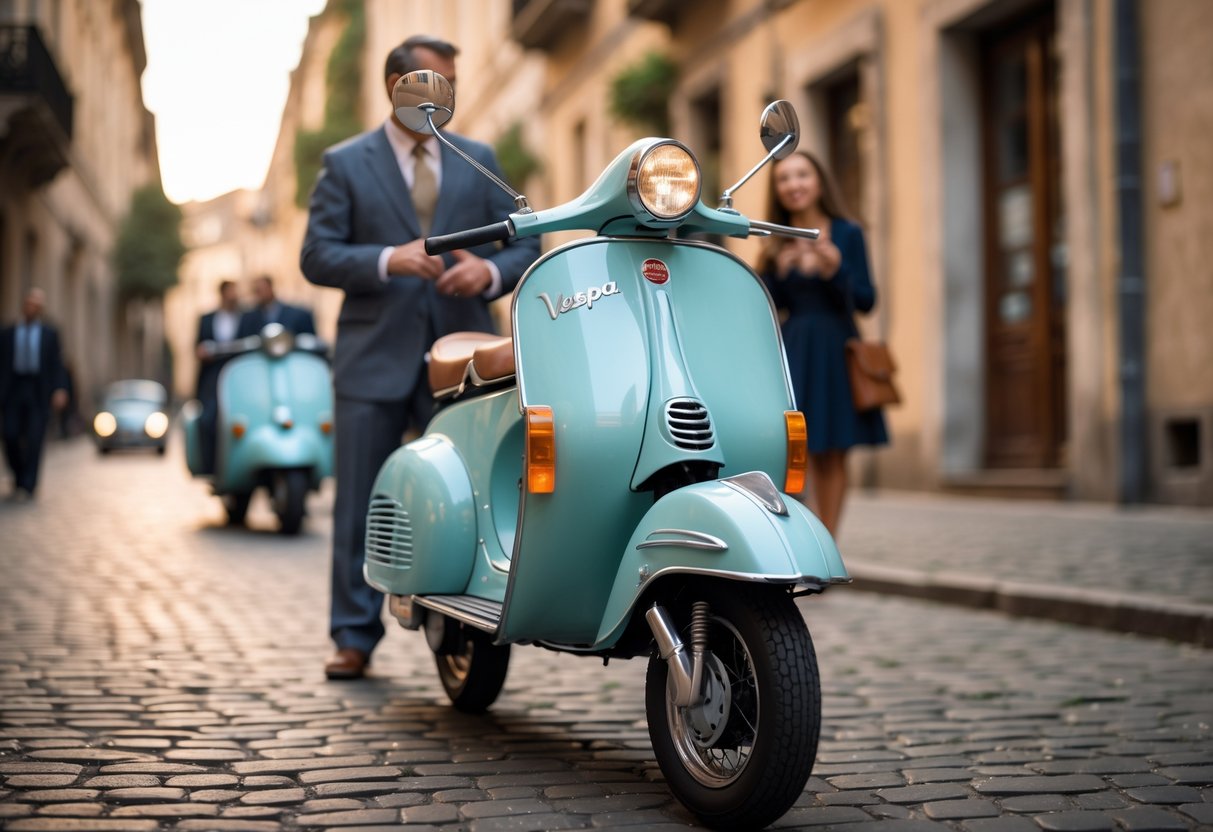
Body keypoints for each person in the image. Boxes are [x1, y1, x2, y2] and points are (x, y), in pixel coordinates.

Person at [300, 35, 540, 680]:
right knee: (360, 500)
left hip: (463, 357)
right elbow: (316, 254)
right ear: (396, 86)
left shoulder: (479, 158)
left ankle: (468, 625)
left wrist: (487, 276)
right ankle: (353, 635)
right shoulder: (346, 163)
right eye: (435, 81)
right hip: (371, 358)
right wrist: (387, 260)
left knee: (477, 493)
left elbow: (524, 243)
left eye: (452, 82)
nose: (447, 94)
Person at [758, 150, 887, 536]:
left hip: (835, 347)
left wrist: (835, 269)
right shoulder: (774, 238)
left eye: (802, 175)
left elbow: (866, 300)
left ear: (818, 183)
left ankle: (829, 546)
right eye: (784, 179)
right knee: (798, 453)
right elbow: (763, 305)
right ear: (777, 189)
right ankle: (806, 540)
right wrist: (777, 274)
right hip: (794, 350)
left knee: (833, 454)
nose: (794, 185)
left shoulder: (848, 232)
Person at [0, 288, 69, 501]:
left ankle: (29, 484)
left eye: (37, 304)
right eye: (30, 303)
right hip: (13, 390)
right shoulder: (8, 333)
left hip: (38, 392)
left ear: (41, 309)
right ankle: (19, 476)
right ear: (24, 305)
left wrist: (60, 389)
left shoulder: (50, 334)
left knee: (34, 437)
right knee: (10, 434)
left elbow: (57, 364)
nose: (33, 307)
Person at [195, 279, 243, 475]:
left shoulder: (247, 317)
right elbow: (197, 347)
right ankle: (212, 468)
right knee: (208, 420)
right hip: (214, 378)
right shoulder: (207, 319)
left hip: (241, 376)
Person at [235, 275, 317, 338]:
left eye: (261, 290)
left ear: (270, 288)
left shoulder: (296, 314)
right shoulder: (248, 318)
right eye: (256, 291)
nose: (259, 294)